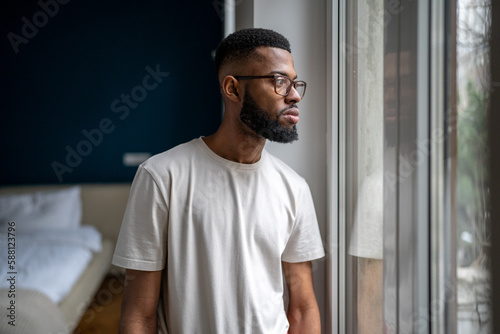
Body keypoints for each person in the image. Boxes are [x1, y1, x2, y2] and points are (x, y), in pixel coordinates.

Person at [112, 27, 325, 334]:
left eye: (295, 83)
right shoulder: (161, 177)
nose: (293, 95)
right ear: (233, 89)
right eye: (279, 81)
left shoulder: (294, 188)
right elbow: (138, 316)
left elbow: (303, 309)